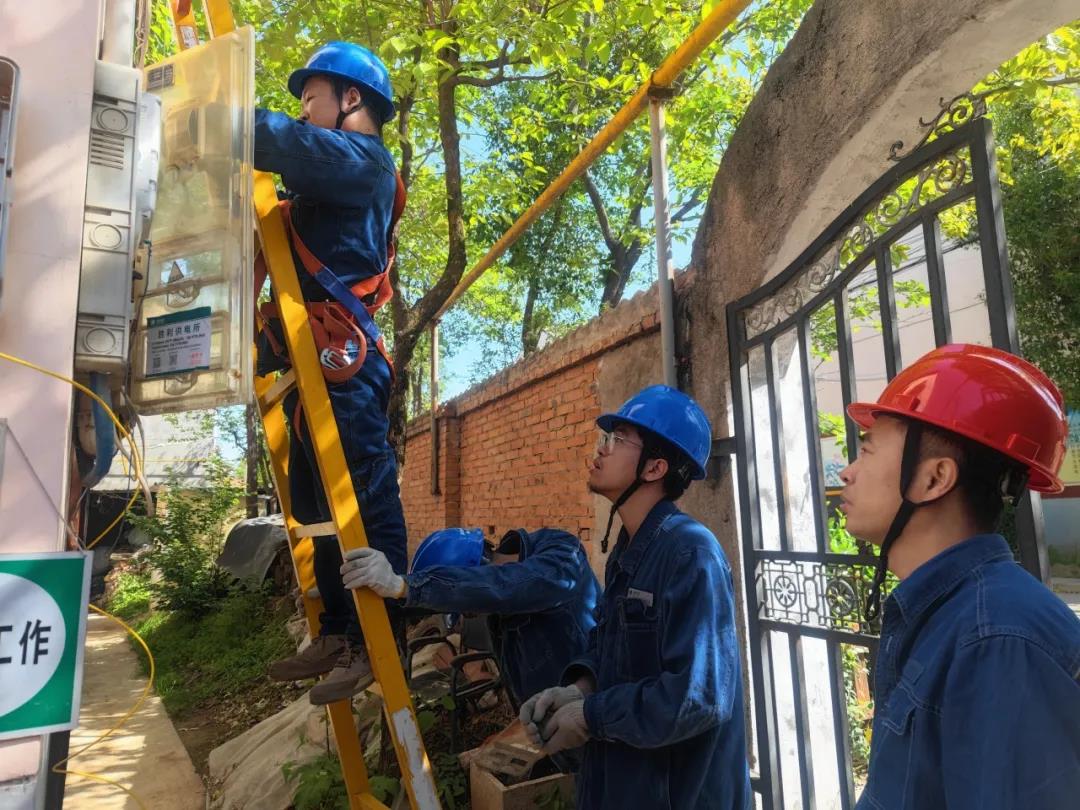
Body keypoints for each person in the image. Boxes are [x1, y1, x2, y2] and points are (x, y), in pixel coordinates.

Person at [839, 344, 1080, 809]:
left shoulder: (998, 640)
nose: (848, 472)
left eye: (866, 451)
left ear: (934, 479)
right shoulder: (950, 614)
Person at [255, 41, 408, 706]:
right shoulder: (325, 178)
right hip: (311, 362)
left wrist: (215, 112)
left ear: (352, 99)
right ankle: (341, 634)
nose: (302, 111)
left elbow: (283, 142)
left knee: (364, 495)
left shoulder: (362, 162)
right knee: (318, 504)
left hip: (344, 361)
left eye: (311, 97)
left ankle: (383, 639)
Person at [519, 385, 752, 810]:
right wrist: (579, 689)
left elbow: (697, 697)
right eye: (605, 438)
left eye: (618, 439)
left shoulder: (690, 554)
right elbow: (615, 650)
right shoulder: (629, 550)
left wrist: (590, 717)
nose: (601, 449)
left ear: (655, 467)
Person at [340, 526, 600, 711]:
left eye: (465, 609)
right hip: (560, 731)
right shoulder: (499, 615)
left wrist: (404, 586)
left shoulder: (562, 555)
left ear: (476, 569)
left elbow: (509, 585)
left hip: (595, 715)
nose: (468, 616)